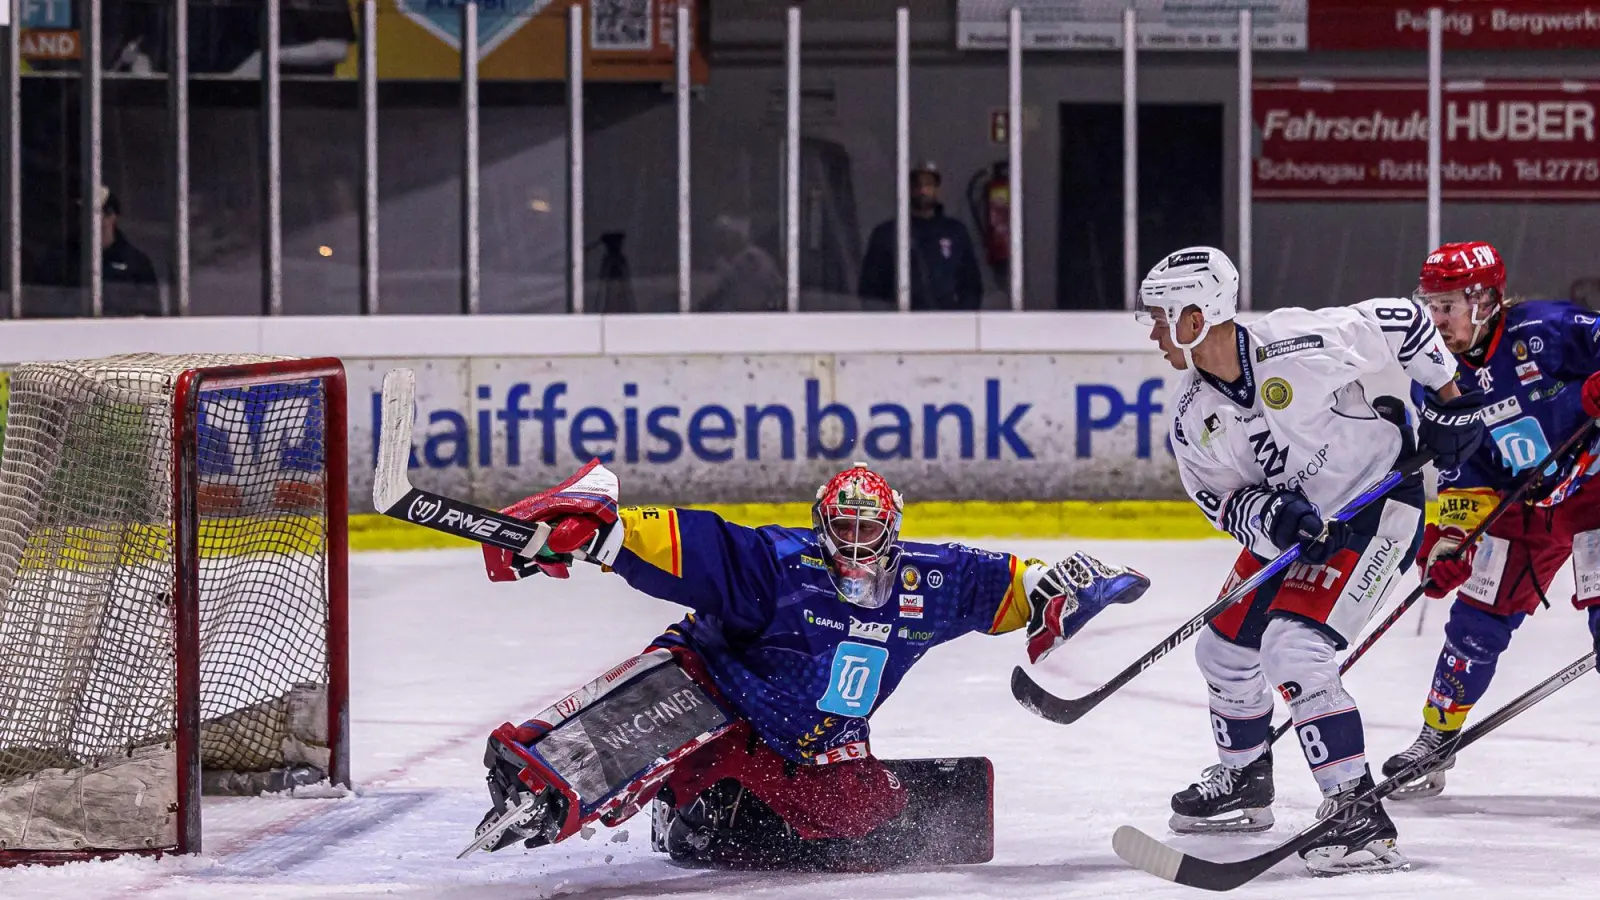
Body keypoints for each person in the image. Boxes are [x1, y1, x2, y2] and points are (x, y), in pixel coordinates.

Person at [467, 460, 1149, 868]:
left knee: (863, 814)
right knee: (641, 724)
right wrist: (609, 534)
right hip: (719, 683)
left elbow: (1008, 585)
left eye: (867, 530)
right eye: (842, 529)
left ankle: (709, 799)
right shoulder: (780, 567)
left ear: (892, 530)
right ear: (822, 526)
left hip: (812, 739)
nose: (854, 544)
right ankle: (543, 784)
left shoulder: (927, 585)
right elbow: (697, 545)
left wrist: (1062, 585)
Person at [1139, 246, 1485, 875]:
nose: (1156, 333)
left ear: (1199, 315)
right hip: (1301, 530)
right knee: (1222, 650)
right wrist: (1264, 516)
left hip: (1376, 507)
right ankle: (1246, 779)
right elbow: (1216, 498)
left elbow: (1402, 321)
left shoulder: (1295, 340)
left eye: (1163, 318)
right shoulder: (1193, 416)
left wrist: (1450, 397)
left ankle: (1356, 812)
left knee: (1293, 650)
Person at [1381, 241, 1600, 798]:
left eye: (1447, 304)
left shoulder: (1547, 330)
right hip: (1520, 504)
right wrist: (1450, 540)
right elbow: (1461, 470)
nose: (1434, 319)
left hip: (1595, 491)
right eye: (1427, 303)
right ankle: (1436, 739)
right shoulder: (1433, 374)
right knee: (1475, 622)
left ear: (1485, 301)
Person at [858, 161, 984, 311]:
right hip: (900, 328)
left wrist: (958, 320)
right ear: (908, 189)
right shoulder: (887, 234)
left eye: (929, 184)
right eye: (917, 184)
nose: (923, 190)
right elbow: (870, 291)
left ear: (938, 190)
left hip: (947, 327)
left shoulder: (955, 232)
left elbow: (971, 285)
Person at [98, 187, 162, 316]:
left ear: (111, 216)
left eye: (94, 213)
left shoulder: (137, 263)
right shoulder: (64, 260)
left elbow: (152, 316)